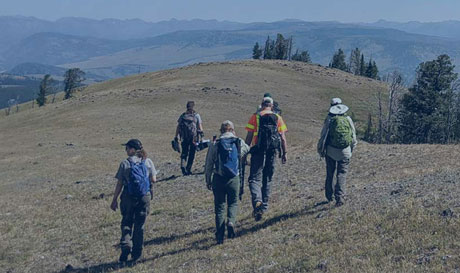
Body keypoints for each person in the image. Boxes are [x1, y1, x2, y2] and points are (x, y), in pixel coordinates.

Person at [111, 139, 157, 264]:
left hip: (128, 196)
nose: (126, 151)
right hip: (144, 196)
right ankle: (136, 254)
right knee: (139, 225)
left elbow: (119, 183)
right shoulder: (147, 161)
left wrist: (114, 199)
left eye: (127, 148)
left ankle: (126, 244)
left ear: (132, 149)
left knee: (126, 221)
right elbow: (154, 179)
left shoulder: (125, 163)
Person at [205, 120, 250, 244]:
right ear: (232, 130)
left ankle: (220, 235)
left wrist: (208, 179)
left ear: (221, 131)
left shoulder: (216, 143)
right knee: (233, 203)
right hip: (234, 178)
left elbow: (209, 163)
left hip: (218, 178)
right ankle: (231, 221)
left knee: (219, 207)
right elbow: (247, 149)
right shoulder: (238, 141)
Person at [245, 97, 288, 221]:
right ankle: (264, 206)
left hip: (258, 150)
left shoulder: (255, 117)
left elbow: (249, 136)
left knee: (254, 178)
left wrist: (245, 152)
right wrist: (284, 153)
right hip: (272, 151)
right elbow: (283, 138)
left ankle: (257, 201)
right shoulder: (277, 117)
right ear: (272, 105)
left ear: (262, 105)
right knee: (267, 178)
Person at [317, 101, 357, 207]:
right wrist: (350, 150)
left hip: (330, 151)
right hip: (345, 151)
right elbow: (353, 137)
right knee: (342, 174)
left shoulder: (329, 119)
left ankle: (329, 196)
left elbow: (323, 135)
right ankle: (340, 197)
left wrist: (320, 149)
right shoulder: (348, 119)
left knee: (330, 173)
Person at [175, 101, 204, 175]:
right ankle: (188, 168)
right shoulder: (196, 115)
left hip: (184, 137)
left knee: (184, 152)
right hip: (193, 138)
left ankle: (183, 165)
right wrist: (201, 135)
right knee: (192, 153)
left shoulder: (183, 116)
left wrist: (176, 136)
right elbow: (200, 127)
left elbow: (178, 126)